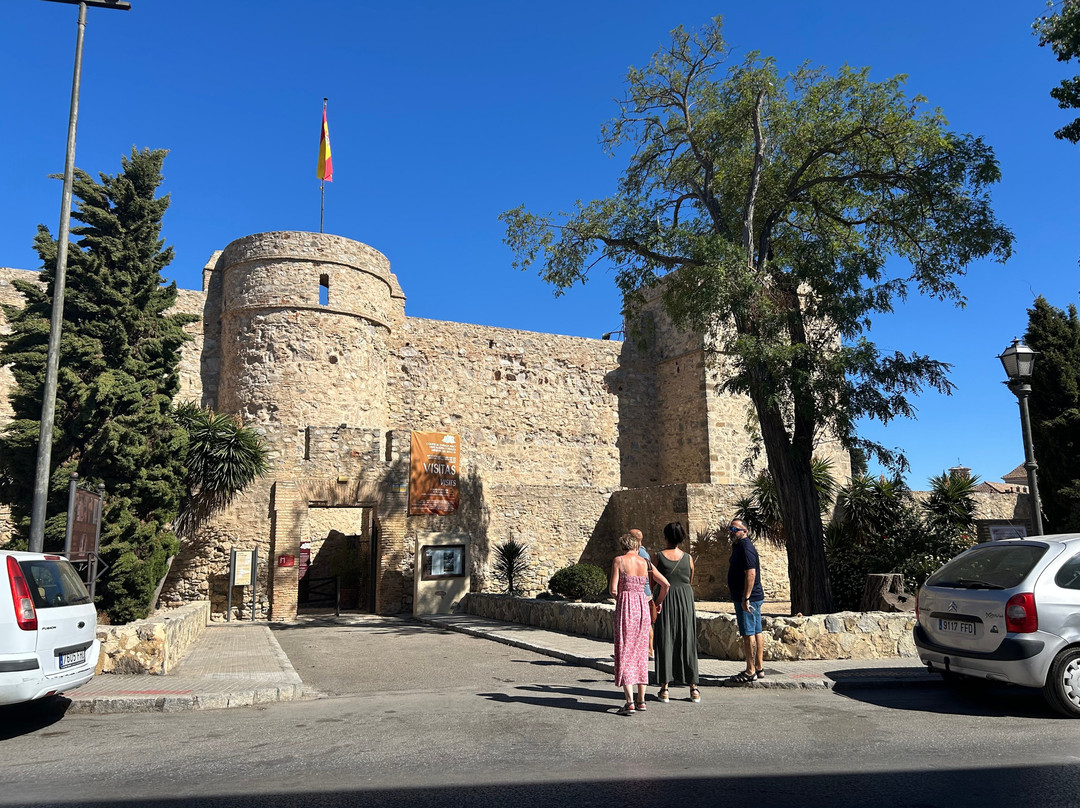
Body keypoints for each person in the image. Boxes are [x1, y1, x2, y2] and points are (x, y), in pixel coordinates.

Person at [609, 531, 669, 715]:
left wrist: (624, 597)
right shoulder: (645, 562)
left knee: (625, 651)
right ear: (637, 546)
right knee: (641, 652)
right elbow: (666, 584)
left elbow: (612, 589)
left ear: (623, 546)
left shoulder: (619, 561)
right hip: (643, 606)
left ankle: (629, 702)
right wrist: (657, 602)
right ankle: (641, 700)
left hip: (626, 607)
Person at [652, 521, 700, 703]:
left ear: (665, 536)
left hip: (665, 600)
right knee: (687, 640)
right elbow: (690, 579)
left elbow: (652, 582)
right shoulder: (688, 557)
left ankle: (664, 688)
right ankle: (693, 688)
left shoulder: (657, 557)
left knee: (665, 640)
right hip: (685, 599)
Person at [727, 518, 765, 684]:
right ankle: (759, 667)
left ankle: (750, 670)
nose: (732, 532)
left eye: (735, 530)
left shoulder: (746, 548)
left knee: (748, 633)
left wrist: (746, 597)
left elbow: (751, 573)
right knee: (756, 631)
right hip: (750, 597)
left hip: (748, 598)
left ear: (744, 531)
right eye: (731, 529)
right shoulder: (739, 547)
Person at [631, 528, 656, 659]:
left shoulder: (640, 554)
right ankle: (646, 650)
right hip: (645, 591)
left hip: (642, 592)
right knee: (645, 623)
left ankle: (649, 650)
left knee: (645, 623)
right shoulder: (642, 553)